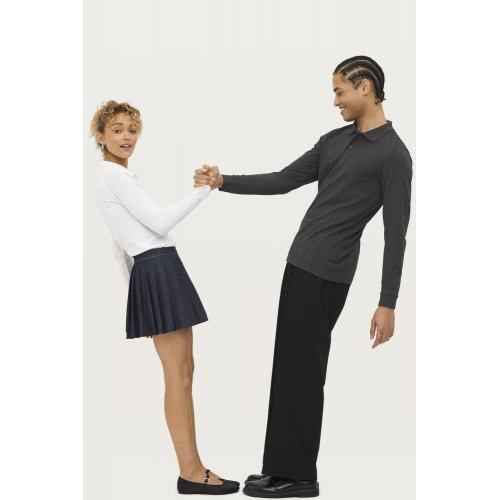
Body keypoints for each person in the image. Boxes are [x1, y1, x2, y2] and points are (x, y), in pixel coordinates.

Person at [194, 56, 413, 498]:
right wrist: (222, 181)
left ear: (365, 87)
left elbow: (396, 235)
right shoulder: (334, 140)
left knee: (306, 372)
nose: (335, 101)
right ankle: (280, 468)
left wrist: (387, 302)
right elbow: (283, 180)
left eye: (339, 91)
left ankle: (300, 477)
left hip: (329, 274)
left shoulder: (394, 155)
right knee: (288, 368)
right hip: (299, 265)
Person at [91, 100, 239, 495]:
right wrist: (202, 192)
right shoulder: (113, 176)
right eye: (117, 130)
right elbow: (157, 222)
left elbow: (119, 246)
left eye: (132, 130)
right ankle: (190, 472)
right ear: (101, 136)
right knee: (178, 375)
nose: (126, 137)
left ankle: (195, 467)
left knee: (185, 373)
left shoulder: (114, 177)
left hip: (157, 269)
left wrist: (136, 291)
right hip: (156, 267)